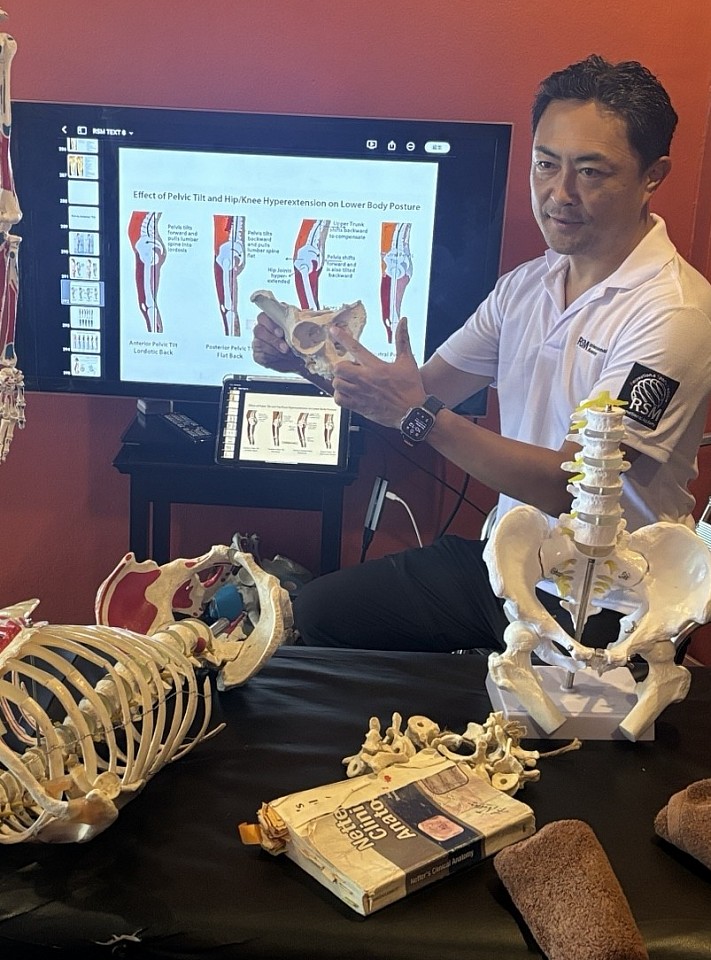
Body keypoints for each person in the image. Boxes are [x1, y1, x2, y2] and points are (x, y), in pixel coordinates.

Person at [252, 55, 711, 652]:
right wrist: (306, 362)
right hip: (510, 565)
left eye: (591, 171)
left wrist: (417, 413)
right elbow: (418, 392)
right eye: (545, 164)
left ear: (653, 175)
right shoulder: (527, 286)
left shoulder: (674, 314)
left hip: (609, 602)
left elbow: (575, 486)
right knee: (315, 614)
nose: (559, 193)